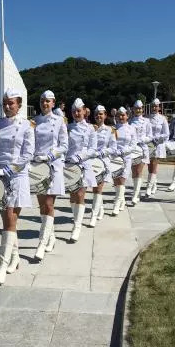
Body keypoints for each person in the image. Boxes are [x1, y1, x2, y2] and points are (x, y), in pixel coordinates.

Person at [0, 88, 34, 286]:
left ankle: (2, 266)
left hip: (17, 175)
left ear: (19, 105)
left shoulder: (27, 125)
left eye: (11, 103)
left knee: (10, 219)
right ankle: (15, 257)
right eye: (5, 103)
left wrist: (9, 170)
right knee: (7, 221)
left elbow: (28, 154)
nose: (7, 107)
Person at [33, 90, 69, 260]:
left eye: (48, 101)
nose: (45, 104)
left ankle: (41, 243)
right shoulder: (34, 121)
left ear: (53, 103)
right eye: (42, 101)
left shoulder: (60, 121)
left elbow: (64, 145)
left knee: (49, 204)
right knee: (42, 206)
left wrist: (50, 155)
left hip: (53, 165)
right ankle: (51, 237)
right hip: (37, 166)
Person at [65, 98, 97, 242]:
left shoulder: (90, 128)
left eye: (78, 111)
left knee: (80, 194)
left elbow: (93, 149)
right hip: (69, 164)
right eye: (74, 111)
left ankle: (77, 226)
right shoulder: (68, 128)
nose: (76, 113)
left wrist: (80, 156)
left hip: (84, 163)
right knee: (72, 196)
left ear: (84, 111)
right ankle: (76, 219)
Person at [86, 104, 116, 226]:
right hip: (90, 161)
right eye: (96, 114)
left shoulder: (110, 130)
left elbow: (113, 148)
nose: (98, 116)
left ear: (105, 115)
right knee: (94, 188)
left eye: (101, 114)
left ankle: (93, 216)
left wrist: (101, 152)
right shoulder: (90, 128)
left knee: (97, 189)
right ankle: (101, 209)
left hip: (103, 162)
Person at [112, 107, 137, 214]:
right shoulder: (113, 128)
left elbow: (133, 145)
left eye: (123, 115)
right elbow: (110, 142)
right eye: (119, 115)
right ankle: (121, 200)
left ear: (127, 116)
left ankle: (117, 203)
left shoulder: (131, 129)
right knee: (116, 180)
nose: (121, 117)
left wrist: (124, 151)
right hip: (115, 157)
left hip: (126, 157)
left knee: (122, 180)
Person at [128, 100, 152, 204]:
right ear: (133, 109)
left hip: (142, 148)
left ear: (142, 109)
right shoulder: (130, 121)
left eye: (140, 108)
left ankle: (135, 195)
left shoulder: (146, 121)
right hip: (132, 149)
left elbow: (150, 136)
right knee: (134, 172)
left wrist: (142, 139)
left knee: (139, 171)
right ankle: (136, 193)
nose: (138, 110)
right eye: (136, 108)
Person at [145, 98, 169, 197]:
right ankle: (154, 185)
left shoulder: (163, 119)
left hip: (158, 144)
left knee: (154, 165)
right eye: (153, 106)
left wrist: (157, 138)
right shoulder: (146, 118)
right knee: (149, 166)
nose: (154, 108)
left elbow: (166, 134)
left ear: (159, 107)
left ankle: (149, 187)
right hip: (148, 145)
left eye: (156, 106)